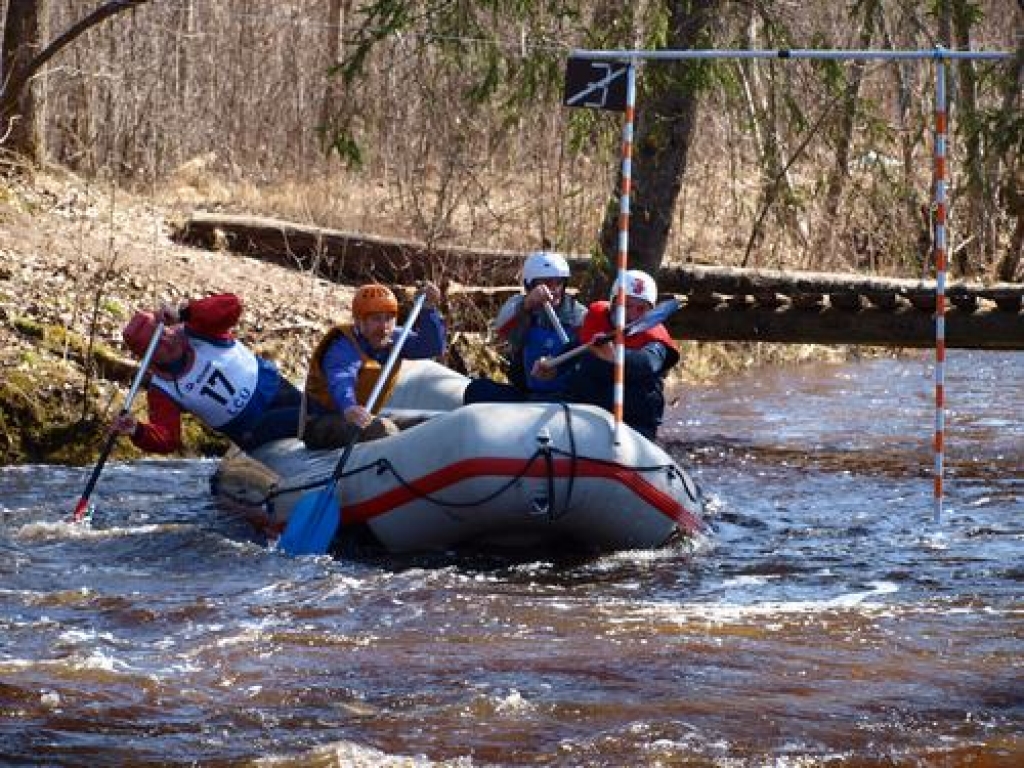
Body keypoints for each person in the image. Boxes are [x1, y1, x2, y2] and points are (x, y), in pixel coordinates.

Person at [113, 293, 304, 453]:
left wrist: (185, 313)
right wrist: (137, 430)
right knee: (307, 419)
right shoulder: (161, 390)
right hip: (251, 428)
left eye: (164, 334)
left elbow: (232, 305)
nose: (167, 343)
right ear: (149, 358)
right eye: (157, 346)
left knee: (311, 412)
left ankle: (315, 424)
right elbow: (168, 439)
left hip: (277, 391)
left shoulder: (198, 329)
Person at [302, 281, 446, 449]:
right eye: (376, 319)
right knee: (384, 429)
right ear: (359, 321)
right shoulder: (342, 346)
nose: (384, 327)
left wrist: (428, 310)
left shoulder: (395, 339)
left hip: (366, 415)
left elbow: (432, 346)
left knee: (434, 423)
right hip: (322, 423)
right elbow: (341, 379)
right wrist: (349, 407)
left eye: (389, 318)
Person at [545, 269, 679, 441]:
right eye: (626, 306)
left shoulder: (656, 340)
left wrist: (615, 357)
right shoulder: (598, 321)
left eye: (640, 309)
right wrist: (553, 367)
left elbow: (647, 363)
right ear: (613, 304)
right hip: (584, 415)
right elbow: (575, 349)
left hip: (634, 423)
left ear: (650, 312)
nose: (632, 315)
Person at [463, 249, 587, 404]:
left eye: (559, 283)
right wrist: (527, 305)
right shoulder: (519, 306)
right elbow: (501, 328)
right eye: (547, 283)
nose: (554, 289)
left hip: (564, 397)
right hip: (526, 396)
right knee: (477, 389)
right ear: (530, 285)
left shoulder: (578, 315)